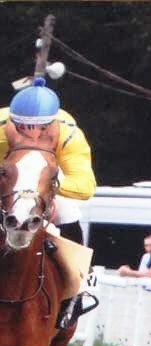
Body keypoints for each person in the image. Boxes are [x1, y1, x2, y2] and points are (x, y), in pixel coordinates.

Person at [0, 77, 96, 327]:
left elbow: (85, 187)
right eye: (23, 127)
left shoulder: (69, 135)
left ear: (53, 124)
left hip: (46, 182)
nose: (32, 135)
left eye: (42, 128)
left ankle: (78, 288)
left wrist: (47, 187)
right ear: (11, 122)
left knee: (68, 209)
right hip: (7, 183)